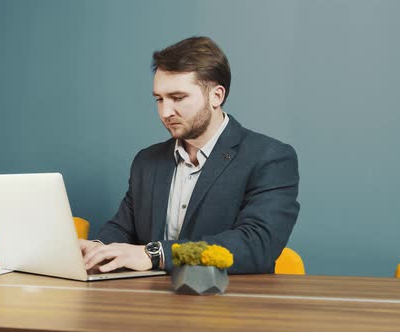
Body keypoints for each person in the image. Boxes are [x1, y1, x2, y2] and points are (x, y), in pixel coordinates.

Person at [79, 36, 300, 274]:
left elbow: (256, 245)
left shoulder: (270, 158)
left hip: (229, 303)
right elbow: (123, 227)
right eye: (159, 99)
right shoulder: (146, 161)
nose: (165, 112)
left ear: (217, 95)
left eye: (177, 98)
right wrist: (97, 250)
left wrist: (157, 254)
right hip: (150, 302)